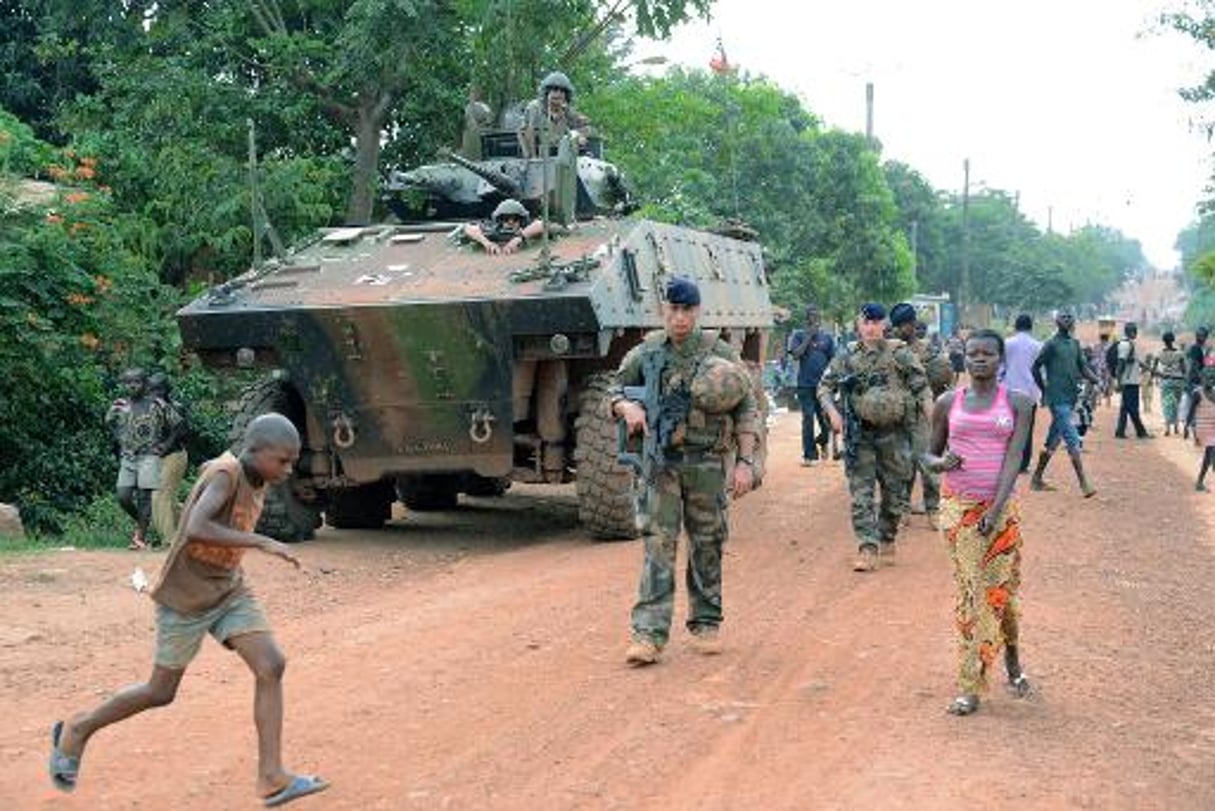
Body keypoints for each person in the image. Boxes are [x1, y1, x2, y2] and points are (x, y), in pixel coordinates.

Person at [49, 414, 329, 807]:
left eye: (292, 461)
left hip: (228, 590)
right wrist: (262, 541)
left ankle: (272, 778)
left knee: (271, 665)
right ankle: (78, 728)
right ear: (254, 450)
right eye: (282, 460)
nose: (288, 468)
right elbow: (196, 526)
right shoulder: (225, 474)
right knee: (160, 691)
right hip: (184, 597)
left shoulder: (257, 476)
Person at [609, 277, 759, 666]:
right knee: (658, 545)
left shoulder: (718, 350)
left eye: (686, 310)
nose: (679, 318)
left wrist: (745, 462)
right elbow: (613, 389)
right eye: (672, 310)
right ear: (664, 311)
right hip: (660, 465)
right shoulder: (647, 352)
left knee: (707, 543)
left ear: (697, 312)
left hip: (707, 462)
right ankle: (648, 634)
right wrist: (627, 408)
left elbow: (747, 407)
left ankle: (706, 622)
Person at [924, 329, 1035, 716]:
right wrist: (942, 463)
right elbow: (928, 455)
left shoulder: (1019, 404)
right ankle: (970, 684)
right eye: (973, 353)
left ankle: (1013, 661)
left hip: (1000, 513)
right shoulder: (947, 402)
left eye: (988, 353)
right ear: (964, 358)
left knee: (1001, 595)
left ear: (1001, 359)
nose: (980, 359)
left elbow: (1015, 459)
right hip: (957, 511)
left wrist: (995, 509)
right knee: (972, 593)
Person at [818, 303, 927, 572]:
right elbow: (824, 387)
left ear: (884, 325)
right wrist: (834, 414)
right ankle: (867, 546)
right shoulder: (847, 357)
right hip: (861, 434)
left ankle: (887, 535)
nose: (871, 328)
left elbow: (921, 388)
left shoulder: (899, 354)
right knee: (861, 494)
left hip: (895, 433)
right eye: (866, 322)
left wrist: (932, 419)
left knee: (895, 493)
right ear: (858, 325)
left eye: (876, 322)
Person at [106, 368, 181, 550]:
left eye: (137, 382)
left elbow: (178, 424)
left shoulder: (157, 404)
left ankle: (140, 538)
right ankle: (142, 522)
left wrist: (165, 445)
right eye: (129, 382)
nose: (133, 385)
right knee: (123, 496)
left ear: (144, 384)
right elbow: (109, 422)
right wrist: (121, 438)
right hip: (129, 457)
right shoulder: (120, 404)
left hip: (149, 456)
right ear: (125, 385)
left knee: (144, 497)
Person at [890, 303, 948, 528]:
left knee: (927, 462)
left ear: (913, 324)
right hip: (896, 416)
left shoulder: (928, 350)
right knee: (902, 464)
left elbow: (943, 377)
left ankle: (932, 509)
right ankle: (903, 507)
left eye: (904, 325)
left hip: (922, 415)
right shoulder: (890, 350)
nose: (901, 330)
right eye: (897, 326)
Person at [1029, 311, 1098, 497]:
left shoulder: (1075, 344)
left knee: (1053, 440)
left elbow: (1082, 367)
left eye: (1070, 317)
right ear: (1056, 321)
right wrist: (1044, 390)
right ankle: (1084, 483)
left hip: (1070, 397)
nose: (1067, 319)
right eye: (1063, 317)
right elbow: (1036, 366)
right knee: (1071, 437)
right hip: (1056, 398)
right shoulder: (1051, 344)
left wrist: (1096, 379)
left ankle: (1036, 478)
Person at [786, 303, 835, 465]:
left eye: (816, 316)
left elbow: (833, 361)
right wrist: (808, 337)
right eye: (810, 317)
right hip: (805, 385)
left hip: (823, 386)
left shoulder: (827, 338)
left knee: (825, 420)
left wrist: (832, 382)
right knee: (808, 419)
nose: (814, 320)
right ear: (806, 319)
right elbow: (796, 354)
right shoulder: (798, 336)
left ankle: (822, 440)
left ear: (819, 319)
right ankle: (810, 455)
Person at [148, 373, 190, 545]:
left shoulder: (175, 407)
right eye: (151, 389)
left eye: (157, 390)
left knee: (160, 495)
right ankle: (190, 529)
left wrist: (164, 447)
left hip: (174, 456)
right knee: (168, 499)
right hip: (160, 457)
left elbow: (181, 431)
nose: (154, 393)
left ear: (166, 390)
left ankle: (170, 541)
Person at [1000, 313, 1043, 473]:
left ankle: (1006, 459)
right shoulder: (1038, 345)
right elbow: (1041, 371)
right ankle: (1023, 463)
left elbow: (1001, 368)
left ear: (1016, 326)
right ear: (1031, 326)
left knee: (1006, 426)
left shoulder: (1006, 343)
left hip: (1009, 390)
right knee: (1027, 428)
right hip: (1029, 392)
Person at [517, 71, 591, 159]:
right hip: (535, 155)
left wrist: (578, 135)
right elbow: (528, 132)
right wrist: (533, 157)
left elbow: (585, 126)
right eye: (555, 90)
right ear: (547, 91)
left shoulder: (566, 111)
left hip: (558, 157)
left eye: (562, 91)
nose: (558, 94)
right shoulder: (535, 108)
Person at [461, 198, 546, 255]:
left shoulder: (527, 229)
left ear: (522, 220)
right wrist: (486, 243)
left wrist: (518, 238)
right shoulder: (493, 230)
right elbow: (469, 228)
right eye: (505, 218)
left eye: (515, 218)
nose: (510, 222)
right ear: (499, 220)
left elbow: (541, 224)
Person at [1112, 322, 1151, 439]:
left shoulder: (1130, 344)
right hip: (1129, 381)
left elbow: (1138, 363)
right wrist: (1118, 381)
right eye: (1135, 330)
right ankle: (1141, 431)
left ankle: (1120, 431)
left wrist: (1155, 372)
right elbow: (1121, 363)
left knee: (1125, 408)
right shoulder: (1125, 345)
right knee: (1133, 408)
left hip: (1130, 380)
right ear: (1131, 331)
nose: (1136, 333)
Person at [1156, 332, 1187, 436]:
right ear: (1173, 340)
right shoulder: (1179, 354)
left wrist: (1161, 375)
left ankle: (1167, 428)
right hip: (1178, 382)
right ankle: (1177, 427)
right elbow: (1184, 370)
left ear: (1164, 341)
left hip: (1166, 382)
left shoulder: (1160, 354)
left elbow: (1154, 370)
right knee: (1176, 404)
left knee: (1167, 404)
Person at [1184, 326, 1211, 441]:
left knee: (1196, 406)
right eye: (1199, 335)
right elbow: (1194, 366)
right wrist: (1203, 378)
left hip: (1195, 381)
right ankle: (1195, 432)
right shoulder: (1195, 348)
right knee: (1196, 406)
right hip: (1195, 382)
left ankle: (1194, 430)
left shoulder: (1200, 348)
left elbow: (1204, 364)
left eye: (1203, 335)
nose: (1201, 337)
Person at [1195, 367, 1215, 491]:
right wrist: (1189, 427)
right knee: (1209, 453)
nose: (1210, 381)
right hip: (1205, 428)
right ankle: (1199, 482)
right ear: (1202, 379)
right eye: (1208, 378)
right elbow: (1191, 412)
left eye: (1213, 378)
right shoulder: (1198, 393)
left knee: (1211, 452)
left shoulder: (1213, 392)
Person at [1141, 351, 1156, 415]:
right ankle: (1147, 408)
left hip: (1147, 380)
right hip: (1146, 380)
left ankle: (1147, 408)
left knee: (1147, 395)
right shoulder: (1146, 365)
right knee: (1147, 395)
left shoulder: (1149, 365)